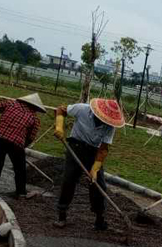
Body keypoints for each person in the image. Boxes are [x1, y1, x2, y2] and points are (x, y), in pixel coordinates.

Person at [53, 98, 125, 230]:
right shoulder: (82, 109)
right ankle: (61, 215)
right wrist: (59, 126)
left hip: (94, 153)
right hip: (75, 146)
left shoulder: (110, 126)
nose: (104, 122)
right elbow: (61, 109)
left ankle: (99, 219)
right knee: (69, 180)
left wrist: (95, 169)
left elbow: (103, 148)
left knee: (99, 185)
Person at [0, 93, 46, 198]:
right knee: (20, 169)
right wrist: (23, 146)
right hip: (16, 144)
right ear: (34, 107)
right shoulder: (34, 119)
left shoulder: (11, 104)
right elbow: (30, 137)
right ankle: (21, 192)